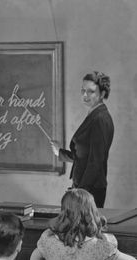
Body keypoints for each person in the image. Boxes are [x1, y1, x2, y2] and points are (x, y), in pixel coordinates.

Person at [50, 71, 114, 208]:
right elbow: (84, 155)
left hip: (90, 191)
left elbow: (95, 161)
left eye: (91, 92)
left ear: (102, 94)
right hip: (84, 189)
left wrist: (79, 193)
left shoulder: (100, 119)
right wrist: (60, 152)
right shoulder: (94, 115)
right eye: (83, 90)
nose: (85, 95)